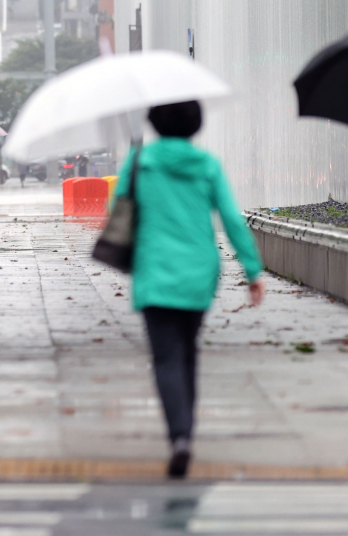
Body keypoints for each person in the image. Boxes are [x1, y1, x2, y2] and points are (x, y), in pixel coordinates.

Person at [116, 100, 266, 479]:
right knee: (188, 354)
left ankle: (179, 436)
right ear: (195, 124)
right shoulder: (208, 165)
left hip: (154, 271)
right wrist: (252, 269)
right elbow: (231, 218)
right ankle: (186, 433)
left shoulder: (139, 163)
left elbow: (117, 211)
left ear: (154, 122)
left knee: (166, 358)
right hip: (199, 273)